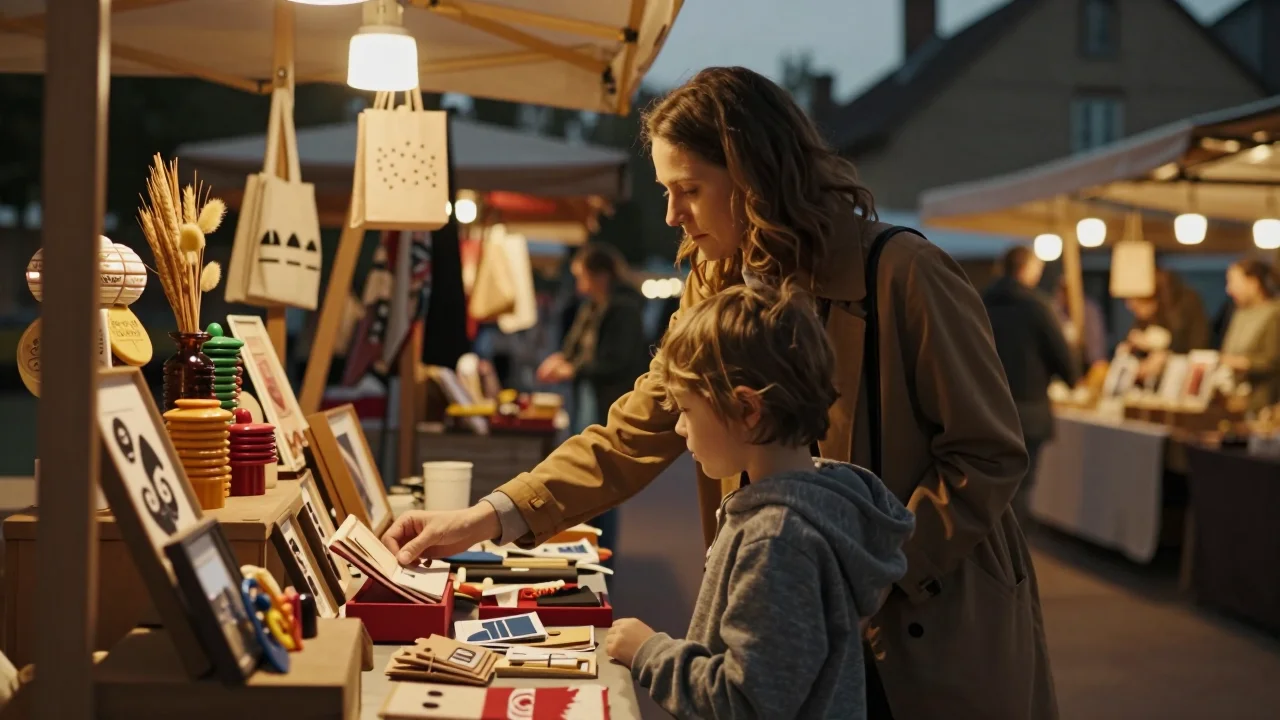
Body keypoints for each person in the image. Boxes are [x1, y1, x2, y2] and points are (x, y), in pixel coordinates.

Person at [383, 66, 1055, 719]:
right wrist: (487, 519)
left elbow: (988, 456)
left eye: (690, 189)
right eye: (666, 191)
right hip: (807, 614)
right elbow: (634, 431)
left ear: (758, 177)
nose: (672, 215)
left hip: (926, 625)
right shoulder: (715, 282)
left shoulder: (906, 273)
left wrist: (865, 571)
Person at [604, 283, 914, 719]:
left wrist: (648, 653)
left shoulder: (776, 539)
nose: (679, 429)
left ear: (748, 409)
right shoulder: (823, 506)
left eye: (686, 410)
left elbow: (748, 702)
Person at [535, 242, 649, 555]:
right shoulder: (594, 306)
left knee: (602, 476)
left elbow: (618, 361)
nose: (579, 283)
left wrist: (570, 369)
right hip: (586, 399)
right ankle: (586, 542)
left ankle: (601, 548)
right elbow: (573, 348)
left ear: (601, 275)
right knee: (583, 469)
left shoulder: (623, 309)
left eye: (582, 276)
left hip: (607, 402)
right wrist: (561, 360)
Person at [984, 248, 1079, 528]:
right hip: (1029, 409)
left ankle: (989, 554)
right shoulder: (1037, 305)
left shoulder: (980, 301)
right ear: (1027, 269)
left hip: (986, 406)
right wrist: (1073, 377)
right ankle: (1013, 558)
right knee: (1022, 487)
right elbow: (1062, 358)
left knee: (990, 484)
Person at [1219, 259, 1280, 412]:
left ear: (1253, 283)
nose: (1229, 289)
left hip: (1262, 402)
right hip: (1233, 398)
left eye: (1234, 282)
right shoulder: (1239, 313)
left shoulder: (1274, 313)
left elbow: (1272, 360)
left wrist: (1240, 362)